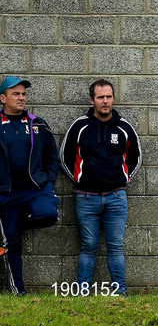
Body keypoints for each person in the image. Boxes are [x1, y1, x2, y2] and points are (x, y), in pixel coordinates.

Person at [60, 79, 142, 296]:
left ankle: (119, 292)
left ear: (113, 98)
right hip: (86, 198)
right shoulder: (79, 126)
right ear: (92, 100)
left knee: (116, 247)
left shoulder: (124, 127)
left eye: (108, 97)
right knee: (88, 246)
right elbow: (65, 158)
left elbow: (136, 158)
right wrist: (81, 180)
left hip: (116, 197)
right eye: (100, 97)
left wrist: (121, 180)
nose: (105, 101)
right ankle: (82, 291)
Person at [0, 76, 60, 294]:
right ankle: (19, 292)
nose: (21, 97)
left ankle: (19, 223)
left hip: (35, 189)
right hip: (6, 194)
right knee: (12, 245)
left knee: (49, 214)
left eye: (24, 94)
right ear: (3, 98)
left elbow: (52, 158)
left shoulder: (39, 124)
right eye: (16, 93)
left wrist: (49, 183)